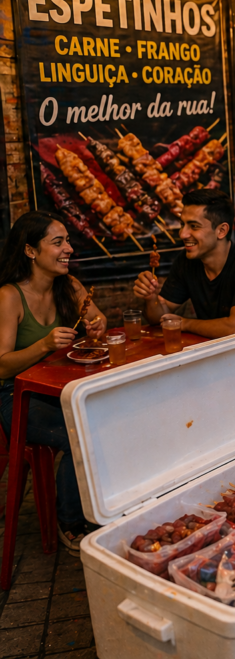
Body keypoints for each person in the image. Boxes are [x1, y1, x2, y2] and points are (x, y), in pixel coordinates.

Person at [0, 211, 107, 554]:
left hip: (62, 390)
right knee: (80, 433)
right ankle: (71, 521)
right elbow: (1, 366)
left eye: (68, 241)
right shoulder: (9, 296)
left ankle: (106, 507)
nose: (69, 250)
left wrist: (96, 326)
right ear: (31, 251)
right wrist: (43, 345)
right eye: (58, 242)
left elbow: (98, 318)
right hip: (18, 398)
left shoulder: (70, 286)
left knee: (109, 420)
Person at [134, 190, 235, 337]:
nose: (183, 234)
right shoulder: (186, 261)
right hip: (210, 352)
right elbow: (159, 317)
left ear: (221, 231)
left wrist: (185, 323)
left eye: (194, 226)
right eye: (182, 224)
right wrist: (151, 298)